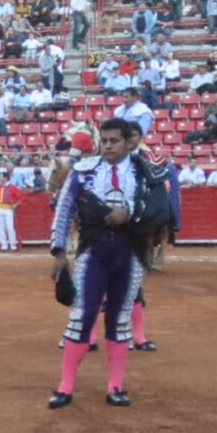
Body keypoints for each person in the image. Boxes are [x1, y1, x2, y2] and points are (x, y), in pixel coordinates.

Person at [47, 118, 165, 408]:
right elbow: (63, 210)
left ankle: (115, 386)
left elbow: (161, 211)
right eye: (105, 141)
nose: (108, 146)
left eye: (114, 141)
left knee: (119, 317)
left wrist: (131, 214)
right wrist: (59, 252)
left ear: (129, 142)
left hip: (130, 254)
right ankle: (65, 386)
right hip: (93, 253)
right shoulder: (83, 171)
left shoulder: (146, 173)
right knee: (82, 316)